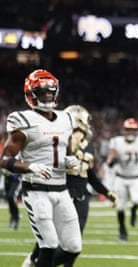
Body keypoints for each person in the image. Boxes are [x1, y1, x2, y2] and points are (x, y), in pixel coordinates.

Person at [0, 69, 82, 267]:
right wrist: (30, 167)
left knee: (73, 246)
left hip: (62, 190)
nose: (47, 95)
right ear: (31, 94)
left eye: (50, 91)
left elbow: (66, 152)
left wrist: (70, 161)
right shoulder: (22, 120)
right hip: (36, 190)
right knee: (49, 244)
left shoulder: (66, 118)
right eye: (42, 92)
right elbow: (4, 159)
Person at [22, 105, 119, 267]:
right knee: (49, 239)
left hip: (81, 198)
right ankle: (34, 260)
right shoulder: (57, 139)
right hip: (61, 194)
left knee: (74, 245)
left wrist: (107, 192)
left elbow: (90, 174)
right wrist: (70, 146)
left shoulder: (88, 145)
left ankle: (38, 262)